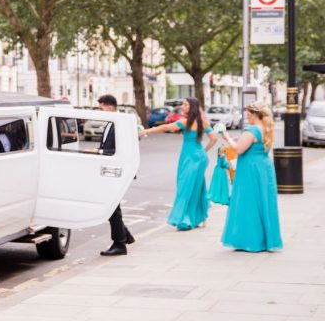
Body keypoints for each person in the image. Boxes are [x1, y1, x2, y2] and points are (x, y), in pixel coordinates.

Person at [140, 96, 217, 230]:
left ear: (191, 108)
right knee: (197, 187)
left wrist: (146, 131)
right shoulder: (203, 123)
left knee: (185, 187)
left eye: (185, 104)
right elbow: (214, 138)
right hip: (199, 156)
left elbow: (165, 127)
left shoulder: (185, 122)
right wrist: (204, 151)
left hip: (189, 157)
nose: (182, 106)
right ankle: (199, 217)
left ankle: (184, 218)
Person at [218, 103, 282, 252]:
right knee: (263, 202)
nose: (247, 117)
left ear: (254, 115)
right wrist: (237, 140)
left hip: (250, 169)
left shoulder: (252, 130)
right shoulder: (266, 128)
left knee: (248, 203)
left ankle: (250, 241)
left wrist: (227, 137)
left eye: (248, 114)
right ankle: (265, 240)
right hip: (264, 168)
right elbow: (249, 145)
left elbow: (239, 149)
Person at [94, 95, 135, 256]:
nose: (100, 111)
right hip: (110, 171)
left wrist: (100, 151)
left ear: (110, 107)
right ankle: (125, 236)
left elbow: (123, 150)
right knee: (113, 206)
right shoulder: (112, 123)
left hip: (117, 172)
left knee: (112, 208)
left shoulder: (120, 124)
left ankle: (120, 244)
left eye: (101, 107)